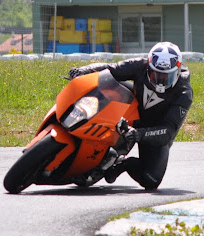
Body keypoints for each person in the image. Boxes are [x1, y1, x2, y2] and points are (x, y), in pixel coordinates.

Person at [68, 41, 193, 190]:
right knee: (108, 84)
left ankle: (122, 163)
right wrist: (83, 71)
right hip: (132, 108)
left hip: (154, 129)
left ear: (177, 72)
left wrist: (139, 134)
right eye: (156, 74)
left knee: (151, 179)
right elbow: (110, 69)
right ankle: (80, 126)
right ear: (149, 66)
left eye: (166, 76)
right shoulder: (140, 65)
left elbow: (168, 131)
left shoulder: (184, 93)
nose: (160, 81)